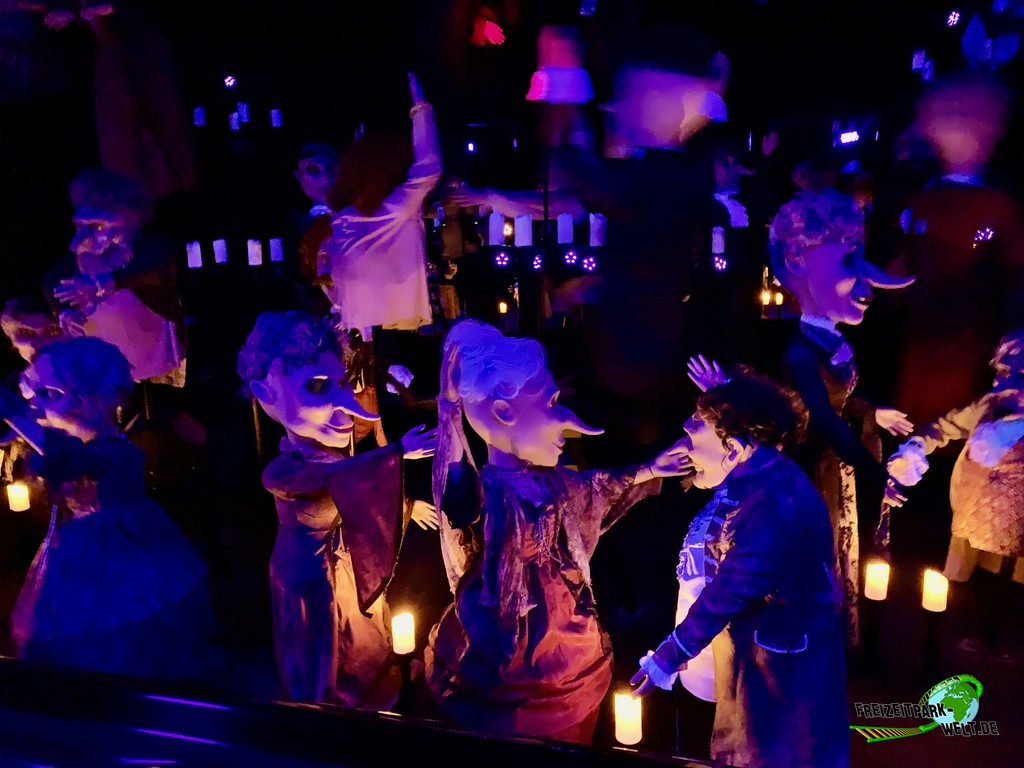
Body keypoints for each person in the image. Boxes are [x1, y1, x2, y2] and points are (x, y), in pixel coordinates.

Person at [423, 318, 691, 745]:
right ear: (504, 412)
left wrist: (651, 469)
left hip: (564, 617)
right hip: (505, 626)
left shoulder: (549, 480)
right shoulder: (487, 490)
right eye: (550, 404)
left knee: (569, 708)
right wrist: (449, 414)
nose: (565, 421)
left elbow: (594, 488)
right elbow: (457, 499)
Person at [630, 372, 849, 768]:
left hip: (773, 670)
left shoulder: (772, 502)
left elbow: (734, 583)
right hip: (734, 653)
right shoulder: (755, 476)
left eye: (697, 426)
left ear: (733, 446)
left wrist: (670, 654)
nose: (685, 430)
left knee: (770, 750)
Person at [237, 310, 438, 709]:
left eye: (342, 383)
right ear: (265, 394)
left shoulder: (335, 459)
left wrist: (407, 504)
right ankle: (323, 708)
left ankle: (367, 682)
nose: (341, 402)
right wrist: (396, 451)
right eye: (316, 387)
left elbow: (358, 491)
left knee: (361, 634)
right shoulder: (286, 468)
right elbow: (334, 482)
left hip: (347, 562)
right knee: (320, 648)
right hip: (309, 575)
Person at [2, 336, 212, 680]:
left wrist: (14, 416)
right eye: (33, 395)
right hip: (74, 541)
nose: (36, 407)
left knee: (123, 623)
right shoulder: (69, 446)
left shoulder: (113, 450)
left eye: (51, 395)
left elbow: (75, 462)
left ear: (98, 400)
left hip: (122, 545)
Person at [768, 187, 914, 650]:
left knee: (837, 545)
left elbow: (840, 400)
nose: (868, 286)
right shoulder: (799, 351)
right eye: (848, 263)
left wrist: (873, 410)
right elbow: (825, 420)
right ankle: (805, 639)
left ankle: (831, 635)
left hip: (836, 467)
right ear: (797, 264)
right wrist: (876, 474)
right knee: (813, 550)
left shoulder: (830, 340)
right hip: (810, 470)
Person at [887, 328, 1024, 652]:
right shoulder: (991, 404)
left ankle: (996, 631)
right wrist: (916, 447)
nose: (1012, 380)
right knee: (974, 566)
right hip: (979, 501)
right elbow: (946, 424)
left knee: (1008, 567)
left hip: (1017, 510)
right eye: (1007, 370)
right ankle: (971, 629)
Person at [319, 72, 440, 336]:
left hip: (358, 323)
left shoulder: (343, 220)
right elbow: (429, 167)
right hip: (396, 323)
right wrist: (422, 109)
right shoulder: (395, 209)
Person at [44, 167, 186, 389]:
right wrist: (64, 312)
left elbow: (153, 270)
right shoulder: (78, 261)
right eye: (80, 225)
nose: (82, 240)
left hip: (156, 361)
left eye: (98, 226)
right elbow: (51, 279)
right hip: (102, 368)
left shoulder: (152, 250)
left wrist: (103, 283)